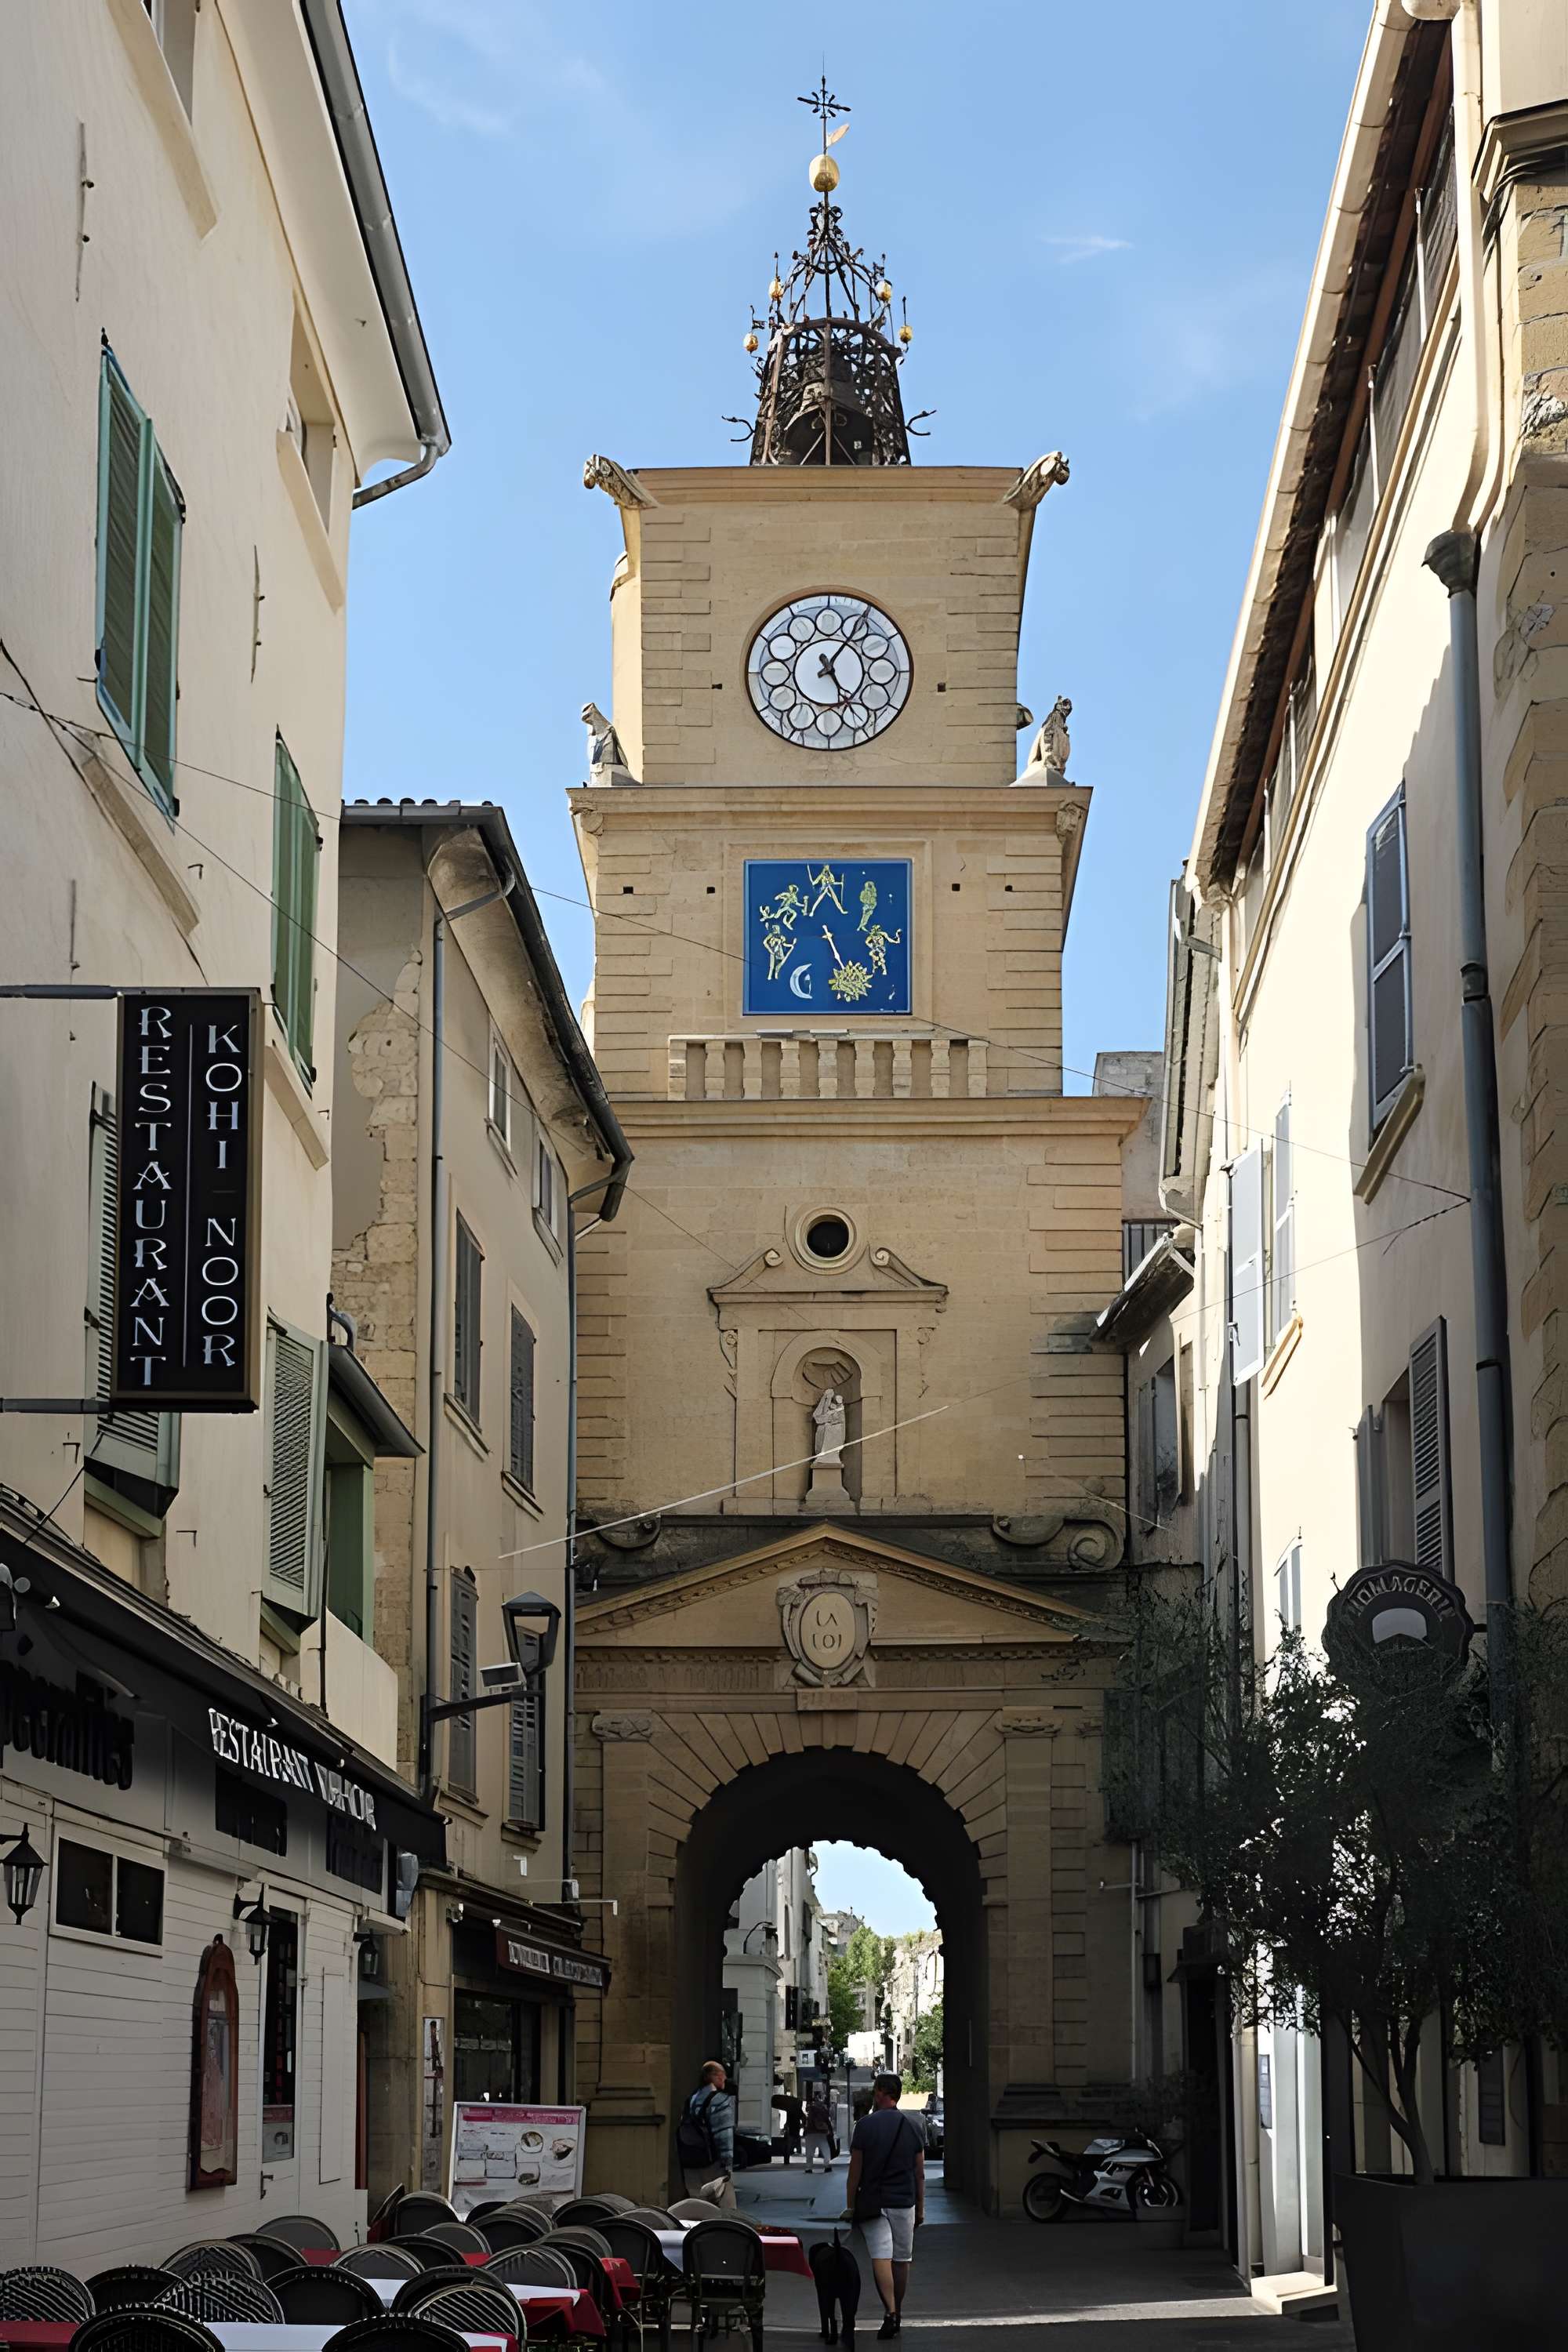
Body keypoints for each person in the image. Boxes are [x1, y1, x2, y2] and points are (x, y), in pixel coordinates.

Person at [844, 2074, 924, 2338]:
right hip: (904, 2202)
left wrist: (851, 2205)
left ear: (879, 2093)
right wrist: (921, 2208)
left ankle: (889, 2311)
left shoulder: (864, 2126)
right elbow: (919, 2173)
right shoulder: (914, 2125)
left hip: (874, 2202)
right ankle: (898, 2311)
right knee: (901, 2260)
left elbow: (855, 2172)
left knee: (881, 2257)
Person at [677, 2058, 737, 2208]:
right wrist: (728, 2164)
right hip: (713, 2164)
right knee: (726, 2208)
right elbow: (724, 2135)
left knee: (698, 2207)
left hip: (690, 2161)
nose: (724, 2078)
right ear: (714, 2076)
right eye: (722, 2074)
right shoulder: (720, 2100)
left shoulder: (691, 2099)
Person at [803, 2085, 836, 2173]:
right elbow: (827, 2121)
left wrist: (805, 2131)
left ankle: (809, 2167)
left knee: (810, 2151)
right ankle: (827, 2165)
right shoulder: (823, 2110)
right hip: (821, 2133)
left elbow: (806, 2122)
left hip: (810, 2133)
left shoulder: (810, 2109)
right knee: (825, 2149)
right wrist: (830, 2131)